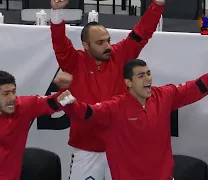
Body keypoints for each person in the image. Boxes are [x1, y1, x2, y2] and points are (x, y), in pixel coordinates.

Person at [55, 59, 208, 180]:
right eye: (141, 75)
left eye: (148, 73)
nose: (148, 79)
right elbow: (87, 113)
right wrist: (70, 103)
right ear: (128, 83)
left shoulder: (165, 96)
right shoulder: (114, 107)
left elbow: (203, 84)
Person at [50, 0, 165, 178]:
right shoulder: (73, 61)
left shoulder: (121, 55)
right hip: (85, 150)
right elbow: (59, 42)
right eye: (100, 43)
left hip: (120, 148)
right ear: (86, 46)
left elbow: (143, 32)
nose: (108, 46)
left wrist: (157, 4)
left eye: (108, 40)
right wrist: (56, 13)